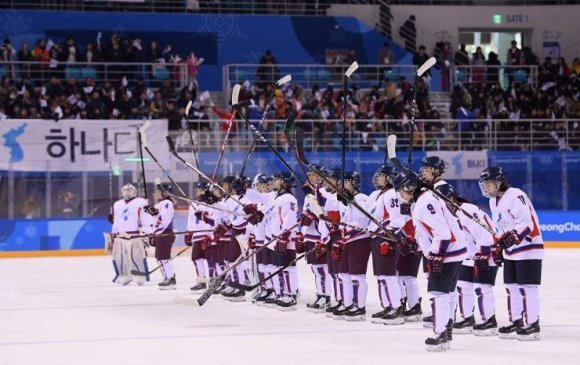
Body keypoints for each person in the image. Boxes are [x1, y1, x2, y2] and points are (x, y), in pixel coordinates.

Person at [394, 171, 467, 352]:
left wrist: (436, 255)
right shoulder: (424, 199)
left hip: (447, 252)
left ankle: (440, 333)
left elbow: (442, 232)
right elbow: (428, 232)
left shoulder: (424, 202)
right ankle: (446, 331)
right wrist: (416, 244)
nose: (401, 197)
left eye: (401, 191)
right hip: (454, 250)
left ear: (410, 188)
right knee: (448, 293)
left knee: (439, 293)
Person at [479, 166, 543, 341]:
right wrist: (498, 245)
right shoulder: (494, 202)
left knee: (528, 288)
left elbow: (526, 223)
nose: (486, 188)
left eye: (489, 184)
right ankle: (517, 321)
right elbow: (500, 227)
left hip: (528, 247)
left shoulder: (515, 195)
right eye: (484, 185)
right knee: (511, 287)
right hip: (511, 250)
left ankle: (532, 324)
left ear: (500, 182)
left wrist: (512, 238)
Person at [438, 184, 499, 336]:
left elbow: (484, 232)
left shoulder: (468, 211)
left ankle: (489, 321)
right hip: (467, 256)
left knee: (482, 288)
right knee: (463, 287)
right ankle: (467, 319)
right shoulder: (446, 214)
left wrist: (484, 254)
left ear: (451, 198)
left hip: (486, 251)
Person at [368, 165, 407, 325]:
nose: (378, 179)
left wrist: (386, 234)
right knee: (381, 276)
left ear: (390, 178)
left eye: (382, 176)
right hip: (378, 236)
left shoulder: (391, 194)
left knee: (388, 275)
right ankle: (388, 305)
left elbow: (397, 219)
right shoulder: (380, 194)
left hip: (387, 237)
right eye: (378, 176)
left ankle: (396, 308)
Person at [333, 171, 371, 321]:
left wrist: (347, 231)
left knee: (357, 276)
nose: (345, 183)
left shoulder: (361, 198)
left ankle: (359, 307)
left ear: (354, 182)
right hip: (349, 241)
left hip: (360, 240)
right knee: (344, 275)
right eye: (345, 181)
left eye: (348, 181)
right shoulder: (349, 200)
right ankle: (348, 304)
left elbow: (362, 220)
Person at [298, 167, 331, 312]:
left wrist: (314, 214)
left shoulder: (323, 192)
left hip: (319, 236)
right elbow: (305, 213)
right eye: (309, 175)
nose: (310, 178)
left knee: (323, 269)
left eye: (313, 175)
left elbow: (323, 212)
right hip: (310, 237)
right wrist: (301, 234)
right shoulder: (308, 195)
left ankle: (327, 296)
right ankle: (321, 294)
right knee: (316, 269)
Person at [269, 172, 299, 310]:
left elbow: (289, 218)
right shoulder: (277, 198)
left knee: (288, 268)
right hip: (277, 238)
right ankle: (281, 293)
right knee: (279, 267)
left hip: (286, 238)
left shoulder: (288, 198)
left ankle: (290, 294)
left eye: (277, 179)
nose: (274, 181)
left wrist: (284, 237)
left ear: (284, 182)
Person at [110, 184, 149, 285]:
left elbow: (145, 217)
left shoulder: (141, 202)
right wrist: (114, 232)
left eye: (129, 190)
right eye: (125, 190)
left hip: (135, 234)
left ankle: (140, 275)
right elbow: (117, 220)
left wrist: (146, 231)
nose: (127, 192)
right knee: (120, 257)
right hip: (121, 234)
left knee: (136, 256)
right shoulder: (117, 204)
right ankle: (124, 275)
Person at [142, 184, 176, 290]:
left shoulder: (167, 203)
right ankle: (168, 277)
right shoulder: (159, 204)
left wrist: (154, 213)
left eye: (158, 192)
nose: (155, 194)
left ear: (164, 193)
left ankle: (170, 279)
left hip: (165, 233)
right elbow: (154, 220)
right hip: (161, 234)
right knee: (161, 258)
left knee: (163, 258)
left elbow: (163, 219)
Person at [186, 182, 213, 292]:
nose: (197, 192)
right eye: (196, 190)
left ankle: (213, 282)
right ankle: (201, 282)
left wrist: (211, 235)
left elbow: (214, 219)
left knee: (211, 260)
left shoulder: (211, 203)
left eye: (200, 190)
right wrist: (189, 233)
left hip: (208, 235)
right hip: (197, 235)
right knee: (197, 259)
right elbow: (190, 221)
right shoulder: (193, 205)